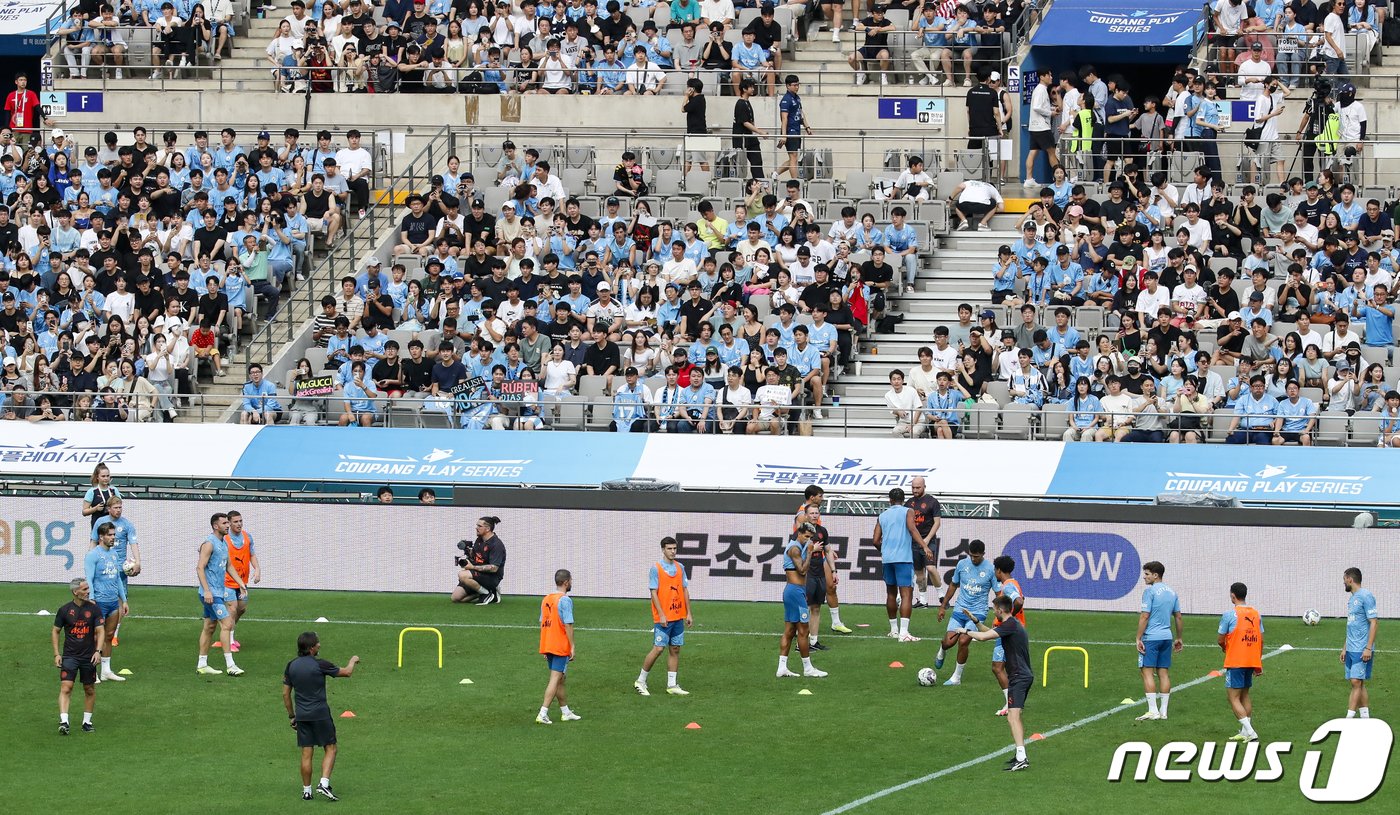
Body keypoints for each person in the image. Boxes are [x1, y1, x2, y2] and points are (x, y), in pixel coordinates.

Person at [283, 631, 359, 801]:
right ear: (311, 648)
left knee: (306, 753)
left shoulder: (291, 666)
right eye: (317, 643)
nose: (319, 645)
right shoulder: (320, 664)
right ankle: (324, 784)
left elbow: (286, 694)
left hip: (302, 715)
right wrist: (353, 660)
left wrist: (291, 715)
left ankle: (306, 791)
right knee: (331, 747)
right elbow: (347, 672)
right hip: (320, 714)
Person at [964, 595, 1033, 771]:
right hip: (1022, 675)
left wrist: (964, 631)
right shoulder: (1012, 624)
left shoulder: (1009, 625)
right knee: (1014, 715)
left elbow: (982, 638)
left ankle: (1022, 757)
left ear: (1000, 610)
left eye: (994, 609)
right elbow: (990, 632)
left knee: (1013, 716)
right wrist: (975, 620)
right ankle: (1020, 755)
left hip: (1018, 676)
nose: (993, 611)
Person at [635, 536, 693, 697]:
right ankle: (640, 681)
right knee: (659, 648)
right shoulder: (656, 569)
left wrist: (688, 612)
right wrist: (661, 614)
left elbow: (684, 590)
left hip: (678, 616)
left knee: (675, 649)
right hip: (663, 618)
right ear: (663, 550)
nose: (673, 551)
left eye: (674, 548)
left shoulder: (680, 567)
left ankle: (672, 684)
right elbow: (653, 592)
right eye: (669, 549)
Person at [872, 487, 931, 643]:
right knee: (906, 594)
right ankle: (903, 633)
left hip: (887, 559)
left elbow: (875, 540)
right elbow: (912, 529)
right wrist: (924, 546)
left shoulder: (882, 515)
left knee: (891, 594)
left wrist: (883, 551)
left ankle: (893, 630)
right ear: (903, 500)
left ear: (890, 500)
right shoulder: (908, 511)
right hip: (903, 558)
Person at [935, 539, 996, 685]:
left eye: (977, 556)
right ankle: (942, 649)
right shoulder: (962, 565)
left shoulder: (990, 569)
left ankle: (956, 677)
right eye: (971, 556)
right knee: (948, 642)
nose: (974, 559)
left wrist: (1000, 614)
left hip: (978, 613)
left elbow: (998, 592)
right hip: (959, 609)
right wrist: (943, 606)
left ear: (983, 554)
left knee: (963, 641)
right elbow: (953, 585)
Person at [196, 512, 246, 676]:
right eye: (224, 523)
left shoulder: (224, 543)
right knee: (227, 624)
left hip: (217, 592)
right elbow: (199, 568)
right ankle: (230, 665)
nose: (228, 525)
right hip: (210, 594)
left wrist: (240, 583)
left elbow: (229, 566)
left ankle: (202, 665)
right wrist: (207, 591)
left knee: (209, 627)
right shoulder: (209, 544)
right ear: (215, 526)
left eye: (227, 523)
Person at [53, 577, 104, 735]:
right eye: (84, 589)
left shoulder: (94, 609)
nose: (88, 591)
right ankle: (64, 722)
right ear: (75, 592)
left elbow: (100, 631)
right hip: (70, 656)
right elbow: (55, 631)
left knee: (89, 689)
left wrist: (98, 651)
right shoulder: (64, 610)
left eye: (88, 588)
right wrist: (56, 654)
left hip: (89, 656)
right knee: (66, 687)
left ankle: (87, 722)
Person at [1134, 560, 1183, 720]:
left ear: (1155, 575)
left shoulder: (1150, 592)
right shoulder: (1172, 592)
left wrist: (1138, 637)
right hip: (1166, 637)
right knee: (1163, 673)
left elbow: (1144, 615)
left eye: (1147, 574)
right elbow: (1178, 616)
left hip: (1151, 638)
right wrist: (1179, 637)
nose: (1144, 577)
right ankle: (1163, 712)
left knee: (1147, 672)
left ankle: (1152, 710)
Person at [777, 522, 827, 678]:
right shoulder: (794, 549)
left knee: (790, 630)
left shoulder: (799, 546)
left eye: (810, 537)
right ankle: (808, 668)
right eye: (806, 536)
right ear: (799, 533)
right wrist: (811, 552)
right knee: (803, 631)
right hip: (795, 592)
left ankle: (782, 668)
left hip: (794, 591)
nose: (808, 540)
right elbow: (803, 570)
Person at [89, 496, 139, 648]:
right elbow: (93, 540)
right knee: (99, 597)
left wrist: (138, 562)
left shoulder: (127, 524)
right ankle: (98, 630)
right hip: (102, 566)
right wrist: (90, 557)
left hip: (119, 568)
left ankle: (114, 634)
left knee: (120, 600)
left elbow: (133, 543)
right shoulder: (100, 522)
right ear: (109, 509)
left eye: (120, 507)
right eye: (116, 507)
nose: (118, 510)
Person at [1218, 581, 1264, 742]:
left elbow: (1220, 639)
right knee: (1244, 694)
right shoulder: (1256, 613)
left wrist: (1225, 647)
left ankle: (1251, 732)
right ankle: (1245, 731)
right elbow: (1261, 638)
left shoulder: (1230, 615)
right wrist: (1258, 661)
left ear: (1232, 595)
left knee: (1233, 697)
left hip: (1236, 660)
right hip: (1251, 659)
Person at [83, 521, 128, 683]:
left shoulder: (114, 554)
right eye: (110, 535)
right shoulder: (92, 555)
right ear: (101, 537)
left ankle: (106, 671)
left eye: (114, 535)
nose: (113, 538)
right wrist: (92, 599)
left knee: (109, 636)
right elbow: (89, 578)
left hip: (112, 603)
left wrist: (124, 600)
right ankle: (91, 671)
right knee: (95, 638)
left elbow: (117, 578)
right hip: (99, 602)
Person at [537, 568, 581, 724]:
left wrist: (545, 646)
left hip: (548, 643)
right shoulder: (565, 600)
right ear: (566, 582)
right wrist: (572, 646)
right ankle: (543, 713)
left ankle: (565, 711)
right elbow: (568, 625)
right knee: (555, 678)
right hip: (559, 645)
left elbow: (543, 622)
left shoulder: (546, 599)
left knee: (561, 678)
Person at [990, 555, 1024, 717]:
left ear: (998, 570)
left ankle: (1010, 703)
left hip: (1008, 633)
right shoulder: (1013, 583)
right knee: (1009, 668)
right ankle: (1013, 702)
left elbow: (1019, 601)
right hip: (1012, 632)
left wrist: (1007, 619)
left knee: (997, 667)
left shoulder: (1008, 586)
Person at [1342, 566, 1378, 719]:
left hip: (1361, 648)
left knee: (1356, 681)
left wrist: (1368, 648)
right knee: (1358, 683)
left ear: (1350, 579)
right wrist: (1344, 648)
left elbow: (1374, 622)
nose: (1344, 583)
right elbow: (1352, 625)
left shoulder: (1366, 596)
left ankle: (1348, 718)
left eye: (1344, 580)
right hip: (1351, 648)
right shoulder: (1352, 599)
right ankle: (1365, 718)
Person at [223, 510, 261, 653]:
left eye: (240, 521)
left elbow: (252, 555)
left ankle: (228, 632)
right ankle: (230, 640)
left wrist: (257, 569)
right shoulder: (224, 538)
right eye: (235, 522)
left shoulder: (247, 537)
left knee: (241, 609)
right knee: (232, 609)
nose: (239, 524)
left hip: (242, 582)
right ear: (229, 523)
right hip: (226, 582)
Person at [905, 476, 944, 608]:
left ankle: (941, 595)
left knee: (930, 568)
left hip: (929, 541)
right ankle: (923, 600)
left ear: (924, 487)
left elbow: (937, 522)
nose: (915, 490)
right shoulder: (908, 503)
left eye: (918, 488)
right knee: (919, 572)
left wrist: (927, 539)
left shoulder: (932, 501)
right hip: (914, 542)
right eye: (913, 488)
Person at [451, 516, 507, 604]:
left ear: (488, 528)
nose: (476, 528)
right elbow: (476, 556)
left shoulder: (496, 545)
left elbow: (494, 568)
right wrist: (468, 552)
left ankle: (486, 593)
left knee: (462, 575)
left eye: (479, 526)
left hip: (492, 577)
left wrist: (473, 567)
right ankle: (489, 592)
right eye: (477, 525)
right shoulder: (479, 540)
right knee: (456, 598)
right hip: (478, 575)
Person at [81, 463, 122, 528]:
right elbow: (84, 512)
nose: (106, 478)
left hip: (113, 526)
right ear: (97, 477)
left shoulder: (114, 490)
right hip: (98, 527)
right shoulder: (92, 491)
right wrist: (95, 509)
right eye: (103, 476)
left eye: (107, 476)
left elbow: (119, 506)